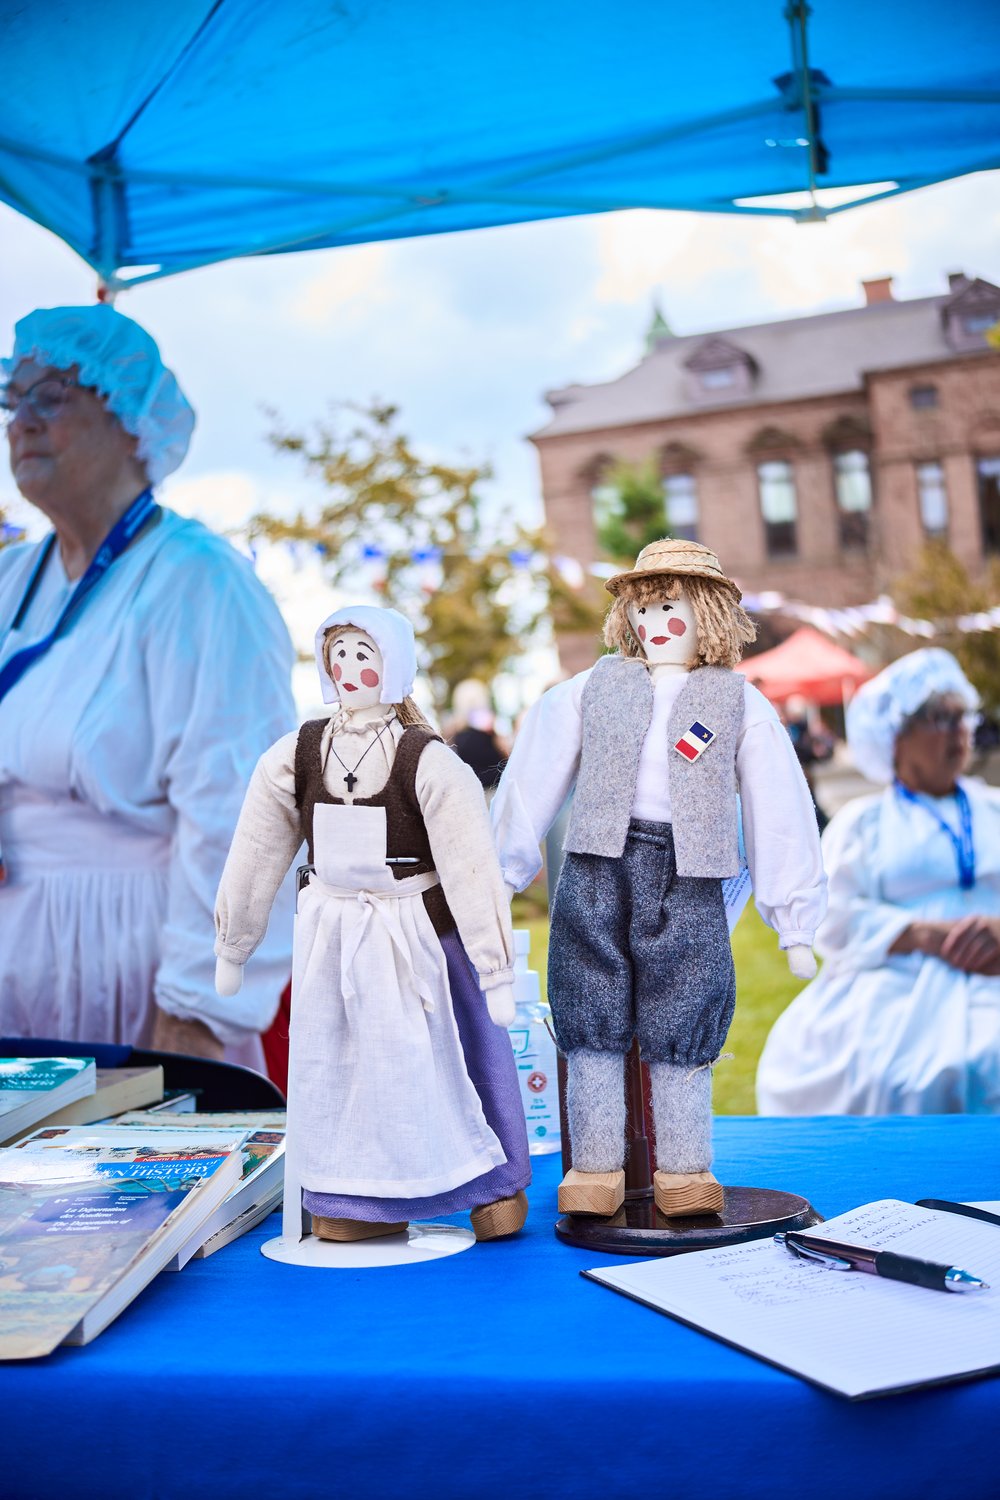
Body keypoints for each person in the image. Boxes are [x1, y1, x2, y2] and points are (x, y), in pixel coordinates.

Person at [491, 538, 826, 1218]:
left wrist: (792, 918)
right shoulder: (590, 689)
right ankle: (594, 1168)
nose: (656, 624)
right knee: (589, 1008)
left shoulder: (737, 702)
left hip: (689, 870)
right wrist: (502, 872)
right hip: (595, 865)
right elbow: (534, 777)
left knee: (685, 1007)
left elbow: (778, 804)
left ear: (707, 614)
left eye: (671, 607)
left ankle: (683, 1171)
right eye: (644, 610)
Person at [0, 304, 295, 1066]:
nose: (20, 421)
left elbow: (239, 812)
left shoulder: (198, 582)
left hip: (139, 963)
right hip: (20, 952)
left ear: (130, 421)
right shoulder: (10, 581)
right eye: (12, 397)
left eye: (52, 395)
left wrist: (195, 1012)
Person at [213, 605, 530, 1242]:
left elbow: (471, 864)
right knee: (346, 1066)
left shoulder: (427, 758)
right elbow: (257, 843)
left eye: (366, 653)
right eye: (341, 654)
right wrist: (234, 941)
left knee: (462, 1054)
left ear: (394, 664)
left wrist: (495, 968)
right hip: (336, 939)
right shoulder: (299, 751)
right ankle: (355, 1197)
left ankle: (493, 1184)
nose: (351, 667)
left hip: (424, 937)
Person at [757, 648, 1000, 1115]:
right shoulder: (864, 822)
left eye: (961, 716)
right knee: (900, 1072)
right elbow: (829, 913)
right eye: (938, 718)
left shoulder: (993, 807)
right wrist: (923, 934)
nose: (958, 731)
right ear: (895, 738)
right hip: (894, 976)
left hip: (991, 967)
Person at [447, 678, 509, 792]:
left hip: (474, 790)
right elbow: (506, 753)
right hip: (496, 787)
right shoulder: (489, 725)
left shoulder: (454, 732)